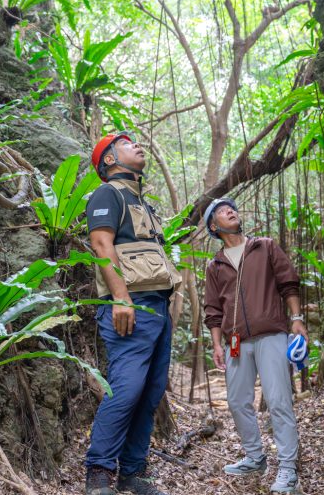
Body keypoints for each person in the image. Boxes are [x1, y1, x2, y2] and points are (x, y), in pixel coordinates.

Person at [83, 132, 181, 495]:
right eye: (126, 144)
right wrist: (121, 297)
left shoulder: (141, 202)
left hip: (157, 307)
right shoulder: (108, 194)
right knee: (126, 389)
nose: (137, 146)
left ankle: (132, 472)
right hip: (131, 306)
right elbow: (100, 244)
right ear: (109, 160)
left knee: (151, 391)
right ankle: (98, 471)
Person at [202, 198, 307, 494]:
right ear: (214, 226)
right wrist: (217, 344)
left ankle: (288, 469)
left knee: (278, 401)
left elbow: (289, 283)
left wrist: (297, 318)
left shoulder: (264, 246)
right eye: (222, 211)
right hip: (235, 341)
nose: (230, 211)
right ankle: (255, 457)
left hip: (271, 334)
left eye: (231, 208)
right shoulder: (215, 265)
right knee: (236, 401)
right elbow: (213, 309)